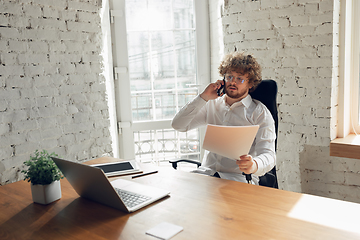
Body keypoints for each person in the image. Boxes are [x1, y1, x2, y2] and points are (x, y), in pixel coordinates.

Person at [171, 52, 276, 184]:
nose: (232, 82)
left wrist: (254, 164)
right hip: (206, 175)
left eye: (240, 79)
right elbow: (178, 125)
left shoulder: (259, 113)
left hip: (238, 179)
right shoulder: (211, 104)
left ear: (250, 84)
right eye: (229, 76)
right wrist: (203, 97)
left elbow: (269, 155)